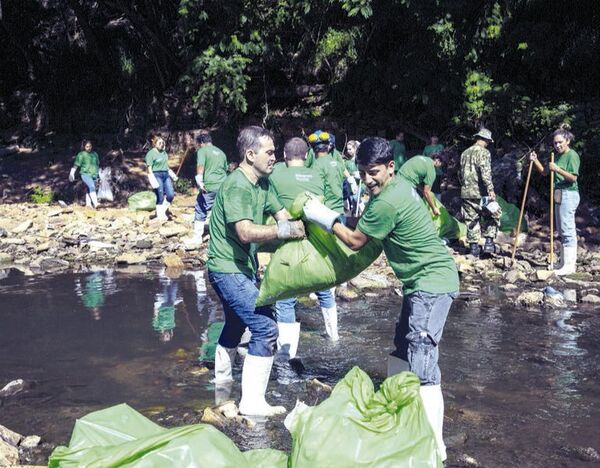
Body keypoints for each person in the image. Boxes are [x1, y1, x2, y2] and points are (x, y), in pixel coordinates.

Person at [302, 137, 459, 461]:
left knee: (422, 357)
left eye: (372, 172)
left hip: (432, 282)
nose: (367, 179)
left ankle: (434, 447)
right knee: (403, 346)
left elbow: (357, 240)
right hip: (420, 283)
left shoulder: (387, 200)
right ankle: (400, 413)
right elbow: (366, 225)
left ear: (390, 167)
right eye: (361, 173)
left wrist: (325, 217)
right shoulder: (397, 187)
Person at [207, 125, 305, 417]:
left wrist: (301, 227)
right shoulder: (237, 185)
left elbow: (283, 216)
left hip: (242, 268)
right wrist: (285, 230)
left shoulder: (263, 183)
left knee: (237, 325)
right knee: (265, 327)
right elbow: (245, 232)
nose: (275, 157)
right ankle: (252, 402)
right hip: (226, 268)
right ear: (250, 155)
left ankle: (221, 385)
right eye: (270, 152)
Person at [269, 137, 341, 355]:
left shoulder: (277, 174)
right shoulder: (317, 174)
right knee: (325, 290)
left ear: (284, 156)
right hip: (318, 245)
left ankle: (287, 357)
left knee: (285, 299)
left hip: (292, 245)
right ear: (307, 156)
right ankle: (334, 337)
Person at [530, 125, 580, 275]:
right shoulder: (556, 156)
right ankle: (563, 263)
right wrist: (536, 160)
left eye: (560, 142)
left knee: (567, 229)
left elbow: (573, 178)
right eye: (555, 143)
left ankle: (570, 266)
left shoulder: (572, 155)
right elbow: (546, 172)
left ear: (568, 141)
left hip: (569, 194)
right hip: (558, 194)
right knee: (561, 229)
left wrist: (557, 169)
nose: (557, 145)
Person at [459, 128, 500, 257]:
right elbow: (485, 173)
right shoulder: (484, 153)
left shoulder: (464, 153)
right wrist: (490, 189)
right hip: (482, 192)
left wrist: (464, 185)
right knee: (493, 214)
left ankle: (474, 248)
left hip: (467, 192)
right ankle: (488, 243)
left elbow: (460, 173)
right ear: (486, 140)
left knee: (471, 219)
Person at [184, 132, 228, 247]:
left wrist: (199, 180)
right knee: (219, 209)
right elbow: (225, 169)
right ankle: (221, 236)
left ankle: (197, 238)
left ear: (201, 143)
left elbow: (201, 166)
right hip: (223, 185)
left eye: (198, 144)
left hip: (210, 184)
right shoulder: (221, 152)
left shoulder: (202, 151)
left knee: (200, 208)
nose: (198, 146)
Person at [310, 133, 348, 223]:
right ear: (328, 147)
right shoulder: (338, 165)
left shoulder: (316, 166)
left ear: (313, 150)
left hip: (326, 213)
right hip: (339, 209)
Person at [145, 135, 178, 222]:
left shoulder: (164, 153)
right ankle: (160, 215)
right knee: (160, 195)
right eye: (160, 143)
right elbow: (149, 168)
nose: (162, 144)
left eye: (162, 143)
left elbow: (166, 166)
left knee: (170, 195)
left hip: (165, 174)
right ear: (155, 144)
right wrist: (152, 179)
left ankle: (162, 210)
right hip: (156, 174)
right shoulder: (150, 154)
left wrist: (172, 175)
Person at [69, 140, 100, 208]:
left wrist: (99, 173)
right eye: (87, 147)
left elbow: (97, 164)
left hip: (94, 175)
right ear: (84, 147)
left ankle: (88, 204)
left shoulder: (95, 154)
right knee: (92, 186)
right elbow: (76, 164)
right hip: (85, 174)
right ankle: (96, 203)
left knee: (89, 189)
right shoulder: (81, 154)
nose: (89, 148)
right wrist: (72, 173)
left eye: (90, 146)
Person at [342, 140, 361, 214]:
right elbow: (345, 174)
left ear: (355, 149)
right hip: (350, 186)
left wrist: (359, 174)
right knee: (352, 201)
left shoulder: (359, 160)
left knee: (356, 199)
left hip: (359, 184)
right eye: (347, 149)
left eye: (350, 149)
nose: (348, 151)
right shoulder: (347, 162)